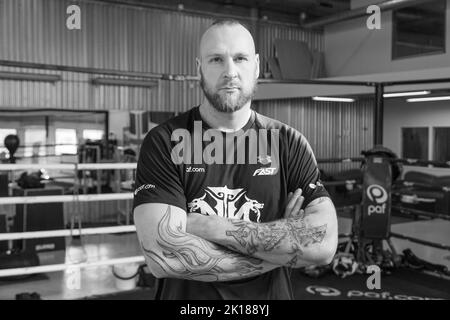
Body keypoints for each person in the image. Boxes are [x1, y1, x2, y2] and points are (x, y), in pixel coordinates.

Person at [133, 19, 338, 300]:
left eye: (239, 58)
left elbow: (322, 244)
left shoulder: (288, 143)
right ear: (199, 69)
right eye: (216, 59)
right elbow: (165, 257)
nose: (230, 72)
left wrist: (207, 226)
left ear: (255, 66)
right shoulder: (165, 141)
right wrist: (281, 250)